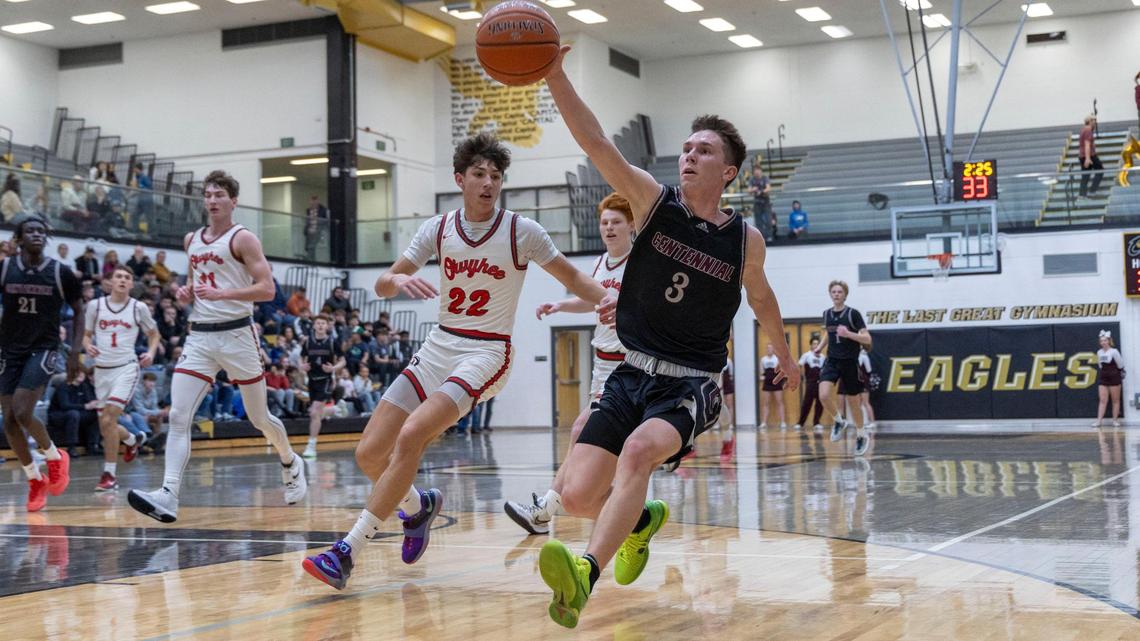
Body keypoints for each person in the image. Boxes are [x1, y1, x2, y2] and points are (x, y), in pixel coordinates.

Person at [529, 47, 799, 629]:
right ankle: (640, 521)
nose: (689, 155)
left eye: (704, 150)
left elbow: (762, 299)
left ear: (729, 171)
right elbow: (597, 143)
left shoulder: (744, 240)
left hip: (691, 384)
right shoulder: (654, 203)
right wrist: (553, 75)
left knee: (639, 451)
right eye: (687, 147)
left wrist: (784, 354)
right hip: (632, 370)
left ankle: (584, 575)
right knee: (576, 498)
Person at [301, 133, 613, 591]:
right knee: (369, 453)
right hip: (439, 345)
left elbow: (572, 276)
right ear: (460, 180)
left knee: (411, 435)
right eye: (480, 174)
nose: (489, 183)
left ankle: (348, 550)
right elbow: (385, 282)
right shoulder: (438, 228)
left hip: (487, 351)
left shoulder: (521, 231)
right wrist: (395, 281)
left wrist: (612, 299)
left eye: (496, 176)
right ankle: (417, 507)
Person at [127, 170, 307, 523]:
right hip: (201, 336)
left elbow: (268, 290)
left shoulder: (244, 239)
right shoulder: (192, 239)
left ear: (233, 201)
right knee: (179, 415)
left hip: (238, 334)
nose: (212, 200)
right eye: (208, 194)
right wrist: (186, 291)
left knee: (259, 418)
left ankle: (290, 460)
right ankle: (168, 494)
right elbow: (196, 282)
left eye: (219, 194)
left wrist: (224, 293)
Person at [503, 191, 634, 536]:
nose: (608, 228)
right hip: (601, 363)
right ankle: (565, 508)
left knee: (581, 431)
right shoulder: (599, 263)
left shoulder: (639, 264)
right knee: (586, 438)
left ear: (632, 225)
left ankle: (545, 511)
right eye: (604, 222)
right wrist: (560, 306)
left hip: (627, 365)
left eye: (616, 222)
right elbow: (590, 301)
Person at [1, 215, 84, 511]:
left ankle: (54, 457)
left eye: (41, 231)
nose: (37, 234)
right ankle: (35, 479)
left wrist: (75, 352)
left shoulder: (61, 272)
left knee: (23, 410)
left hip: (45, 349)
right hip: (9, 351)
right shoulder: (6, 269)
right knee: (10, 422)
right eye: (30, 231)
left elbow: (78, 309)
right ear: (19, 239)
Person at [82, 266, 160, 491]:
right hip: (101, 371)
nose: (123, 280)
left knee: (108, 420)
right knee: (107, 426)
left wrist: (151, 352)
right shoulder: (95, 306)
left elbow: (154, 334)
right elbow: (86, 336)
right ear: (110, 281)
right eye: (119, 276)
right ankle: (133, 440)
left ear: (132, 283)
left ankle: (109, 475)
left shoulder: (139, 308)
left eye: (128, 277)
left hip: (127, 368)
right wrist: (88, 346)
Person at [820, 281, 873, 455]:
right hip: (832, 360)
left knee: (853, 402)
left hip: (850, 362)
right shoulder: (826, 314)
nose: (836, 294)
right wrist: (820, 347)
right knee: (824, 394)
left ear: (845, 294)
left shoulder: (853, 314)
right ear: (830, 294)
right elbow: (829, 333)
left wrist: (849, 334)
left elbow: (867, 340)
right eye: (833, 291)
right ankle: (838, 420)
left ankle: (860, 434)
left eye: (839, 291)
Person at [301, 314, 345, 459]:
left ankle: (311, 446)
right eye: (318, 323)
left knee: (314, 412)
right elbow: (301, 358)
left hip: (326, 380)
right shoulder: (308, 342)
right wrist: (302, 366)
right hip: (312, 380)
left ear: (327, 326)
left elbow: (343, 361)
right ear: (314, 326)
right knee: (316, 413)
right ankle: (335, 409)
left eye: (323, 323)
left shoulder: (332, 342)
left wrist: (333, 368)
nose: (320, 325)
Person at [1093, 330, 1124, 428]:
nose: (1103, 342)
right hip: (1104, 377)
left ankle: (1115, 420)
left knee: (1115, 400)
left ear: (1109, 341)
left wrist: (1116, 373)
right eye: (1101, 341)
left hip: (1114, 377)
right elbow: (1100, 365)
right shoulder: (1099, 352)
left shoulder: (1114, 351)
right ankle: (1099, 421)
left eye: (1105, 340)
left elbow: (1120, 365)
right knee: (1102, 400)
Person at [795, 337, 825, 430]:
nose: (816, 345)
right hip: (810, 382)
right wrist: (802, 376)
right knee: (807, 403)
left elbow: (825, 368)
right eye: (814, 343)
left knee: (820, 403)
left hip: (820, 383)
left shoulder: (823, 357)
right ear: (811, 345)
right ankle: (800, 423)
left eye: (817, 343)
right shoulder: (806, 355)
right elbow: (799, 365)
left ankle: (816, 422)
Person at [759, 343, 787, 430]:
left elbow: (782, 370)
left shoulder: (777, 359)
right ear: (766, 350)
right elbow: (761, 371)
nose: (769, 350)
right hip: (767, 383)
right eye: (768, 348)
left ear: (774, 350)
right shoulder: (763, 359)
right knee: (766, 403)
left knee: (780, 402)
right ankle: (764, 422)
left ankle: (783, 422)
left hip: (777, 382)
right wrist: (762, 377)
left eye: (771, 348)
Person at [1079, 114, 1104, 198]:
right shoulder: (1088, 130)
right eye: (1094, 120)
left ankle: (1082, 195)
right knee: (1100, 170)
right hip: (1089, 156)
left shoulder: (1084, 129)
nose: (1095, 122)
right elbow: (1087, 144)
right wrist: (1088, 158)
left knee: (1085, 176)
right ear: (1089, 121)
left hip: (1084, 156)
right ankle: (1091, 191)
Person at [746, 164, 774, 242]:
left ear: (760, 171)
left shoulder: (765, 178)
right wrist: (753, 189)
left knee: (768, 220)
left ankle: (769, 236)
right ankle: (761, 238)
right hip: (757, 203)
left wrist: (761, 192)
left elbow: (768, 188)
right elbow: (749, 190)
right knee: (759, 222)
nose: (757, 173)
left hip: (766, 202)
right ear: (754, 172)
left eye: (758, 171)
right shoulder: (752, 179)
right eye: (755, 172)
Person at [857, 347, 876, 429]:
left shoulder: (864, 357)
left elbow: (869, 370)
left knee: (865, 402)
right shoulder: (853, 357)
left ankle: (872, 422)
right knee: (858, 403)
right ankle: (861, 422)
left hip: (864, 382)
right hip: (856, 382)